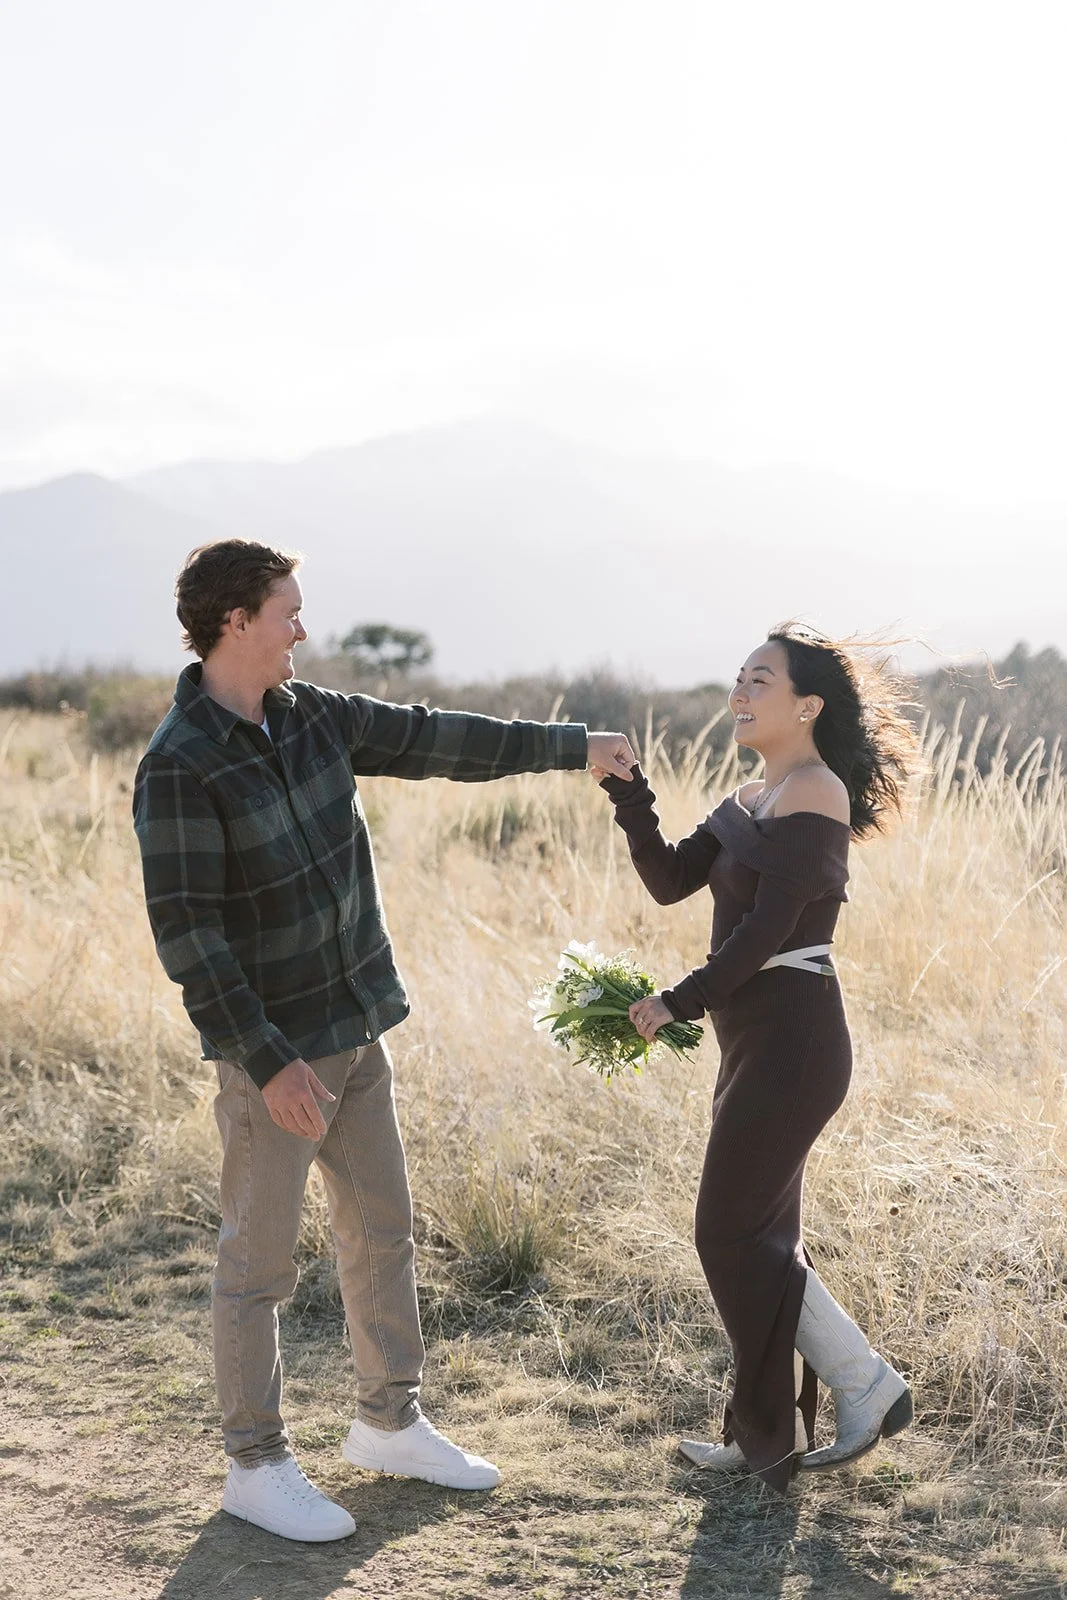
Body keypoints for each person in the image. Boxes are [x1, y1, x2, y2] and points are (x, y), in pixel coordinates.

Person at [132, 538, 636, 1542]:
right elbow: (190, 936)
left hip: (356, 1027)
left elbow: (437, 738)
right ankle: (255, 1462)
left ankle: (388, 1422)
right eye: (287, 611)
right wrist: (266, 1060)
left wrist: (572, 746)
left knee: (383, 1230)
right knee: (257, 1264)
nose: (301, 630)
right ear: (236, 621)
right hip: (276, 1056)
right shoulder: (180, 764)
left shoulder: (310, 714)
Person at [594, 624, 917, 1493]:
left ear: (806, 705)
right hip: (752, 1040)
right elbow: (668, 879)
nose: (740, 692)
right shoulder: (749, 799)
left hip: (795, 1038)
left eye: (760, 680)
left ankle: (852, 1389)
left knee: (727, 1232)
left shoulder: (816, 793)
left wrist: (677, 1000)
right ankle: (779, 1423)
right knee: (756, 1236)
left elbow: (767, 930)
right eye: (738, 677)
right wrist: (630, 797)